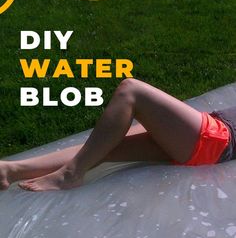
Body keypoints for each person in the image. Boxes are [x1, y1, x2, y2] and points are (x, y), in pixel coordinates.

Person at [0, 78, 234, 192]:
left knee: (131, 91)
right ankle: (11, 170)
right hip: (212, 131)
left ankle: (71, 174)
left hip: (215, 139)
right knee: (103, 146)